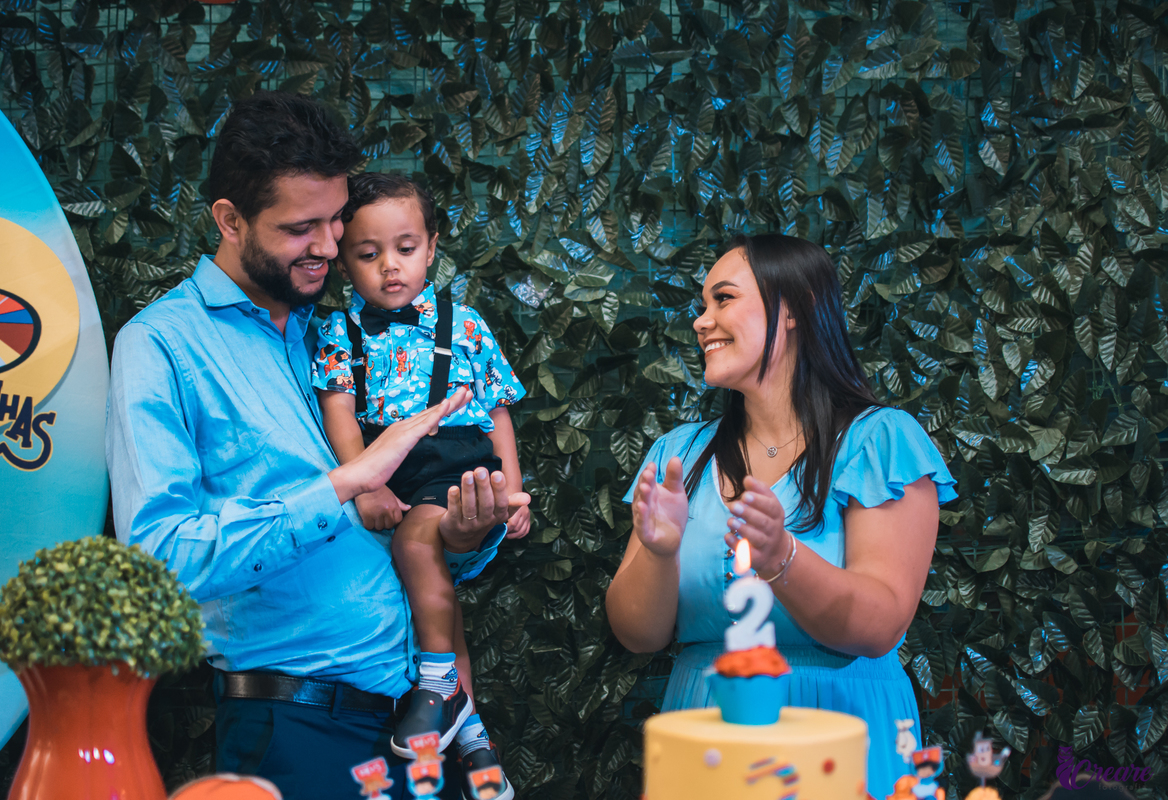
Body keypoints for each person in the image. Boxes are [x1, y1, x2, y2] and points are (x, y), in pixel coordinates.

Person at [106, 91, 527, 800]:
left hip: (425, 725)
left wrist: (464, 531)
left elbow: (415, 529)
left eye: (337, 221)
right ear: (230, 220)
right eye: (304, 228)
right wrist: (345, 483)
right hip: (295, 729)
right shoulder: (162, 346)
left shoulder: (343, 331)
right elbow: (162, 562)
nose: (331, 248)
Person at [605, 233, 956, 800]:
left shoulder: (880, 441)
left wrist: (782, 559)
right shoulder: (678, 456)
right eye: (702, 305)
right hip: (706, 731)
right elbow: (638, 634)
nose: (701, 321)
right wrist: (659, 551)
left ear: (795, 309)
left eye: (723, 299)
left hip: (846, 733)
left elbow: (879, 624)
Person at [312, 172, 525, 796]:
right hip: (386, 460)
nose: (390, 268)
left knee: (414, 545)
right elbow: (340, 416)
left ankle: (435, 682)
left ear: (432, 246)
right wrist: (368, 485)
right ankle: (476, 743)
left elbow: (499, 410)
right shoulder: (336, 330)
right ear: (343, 258)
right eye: (368, 254)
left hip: (457, 461)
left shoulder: (466, 323)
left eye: (405, 248)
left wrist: (510, 489)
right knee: (421, 581)